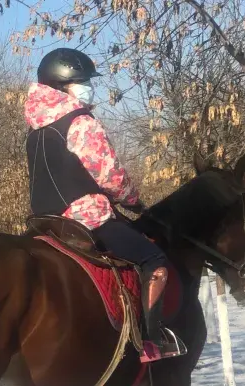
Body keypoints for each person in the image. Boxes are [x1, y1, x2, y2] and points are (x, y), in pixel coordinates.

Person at [24, 47, 185, 362]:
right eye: (83, 81)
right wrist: (133, 200)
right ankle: (152, 341)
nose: (89, 87)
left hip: (45, 221)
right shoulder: (81, 122)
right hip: (86, 219)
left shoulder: (35, 129)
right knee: (154, 259)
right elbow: (109, 175)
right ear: (63, 85)